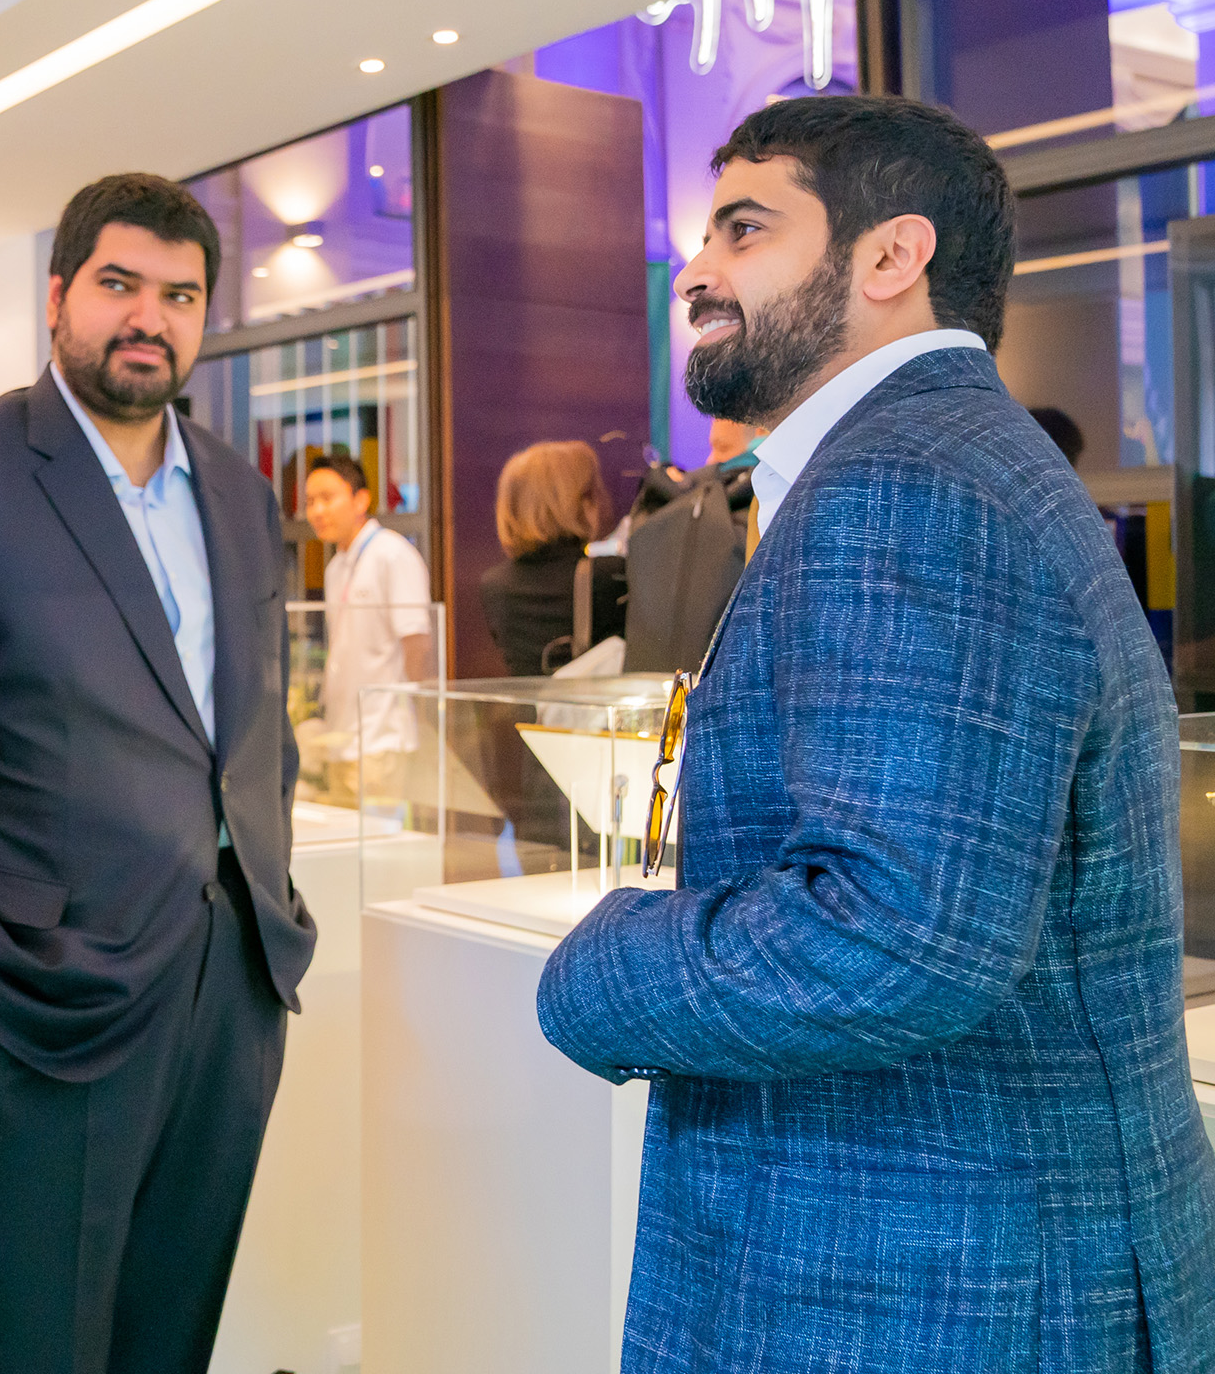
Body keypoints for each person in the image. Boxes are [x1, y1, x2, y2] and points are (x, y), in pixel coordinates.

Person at [536, 95, 1215, 1370]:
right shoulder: (944, 456)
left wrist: (600, 965)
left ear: (891, 255)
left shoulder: (907, 483)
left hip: (934, 1288)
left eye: (743, 229)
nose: (696, 271)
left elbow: (895, 932)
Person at [0, 172, 317, 1374]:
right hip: (30, 1010)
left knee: (167, 1345)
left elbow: (255, 735)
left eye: (179, 295)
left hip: (226, 995)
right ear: (57, 297)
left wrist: (269, 909)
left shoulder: (241, 497)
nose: (148, 317)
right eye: (117, 284)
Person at [303, 451, 433, 804]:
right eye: (310, 501)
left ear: (361, 499)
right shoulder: (336, 567)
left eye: (327, 498)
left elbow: (417, 642)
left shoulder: (391, 554)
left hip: (381, 740)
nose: (316, 511)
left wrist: (418, 717)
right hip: (342, 738)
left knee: (379, 837)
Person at [479, 440, 612, 676]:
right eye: (591, 493)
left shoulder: (493, 585)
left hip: (524, 702)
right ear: (576, 503)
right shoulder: (609, 575)